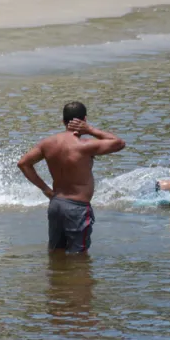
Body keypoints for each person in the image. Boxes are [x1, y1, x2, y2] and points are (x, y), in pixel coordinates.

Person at [17, 101, 125, 253]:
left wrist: (46, 190)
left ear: (63, 121)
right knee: (79, 258)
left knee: (56, 253)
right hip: (77, 208)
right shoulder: (85, 145)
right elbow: (119, 143)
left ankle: (56, 276)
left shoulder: (48, 143)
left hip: (56, 204)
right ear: (84, 120)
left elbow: (23, 163)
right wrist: (91, 130)